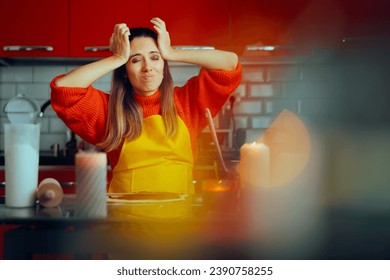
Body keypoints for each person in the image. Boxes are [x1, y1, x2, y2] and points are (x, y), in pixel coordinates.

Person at [50, 17, 242, 195]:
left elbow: (230, 64)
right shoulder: (111, 111)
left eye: (155, 57)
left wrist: (172, 53)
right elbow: (63, 90)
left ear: (164, 66)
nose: (147, 67)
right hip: (125, 223)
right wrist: (116, 58)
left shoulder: (186, 102)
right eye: (135, 59)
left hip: (179, 223)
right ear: (125, 71)